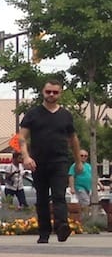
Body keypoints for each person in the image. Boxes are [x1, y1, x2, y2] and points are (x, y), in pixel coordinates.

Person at [20, 78, 80, 243]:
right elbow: (22, 137)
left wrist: (78, 161)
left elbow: (73, 139)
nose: (51, 95)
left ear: (60, 93)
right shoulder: (33, 114)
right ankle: (44, 232)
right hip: (38, 162)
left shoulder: (66, 115)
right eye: (48, 92)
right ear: (43, 92)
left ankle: (62, 227)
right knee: (42, 198)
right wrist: (26, 156)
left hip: (60, 161)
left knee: (59, 195)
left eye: (55, 92)